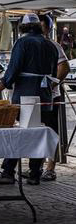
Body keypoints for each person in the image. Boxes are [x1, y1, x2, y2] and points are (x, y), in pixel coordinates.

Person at [0, 13, 59, 185]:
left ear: (23, 28)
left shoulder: (23, 42)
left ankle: (8, 171)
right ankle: (35, 172)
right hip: (45, 94)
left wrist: (2, 85)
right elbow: (54, 74)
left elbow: (14, 67)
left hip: (26, 94)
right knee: (38, 134)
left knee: (19, 133)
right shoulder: (50, 45)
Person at [38, 15, 70, 181]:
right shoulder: (32, 45)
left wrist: (52, 84)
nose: (39, 30)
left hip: (51, 96)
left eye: (42, 27)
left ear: (48, 29)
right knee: (36, 130)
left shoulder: (53, 46)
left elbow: (65, 67)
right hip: (35, 96)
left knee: (50, 130)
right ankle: (37, 165)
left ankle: (51, 167)